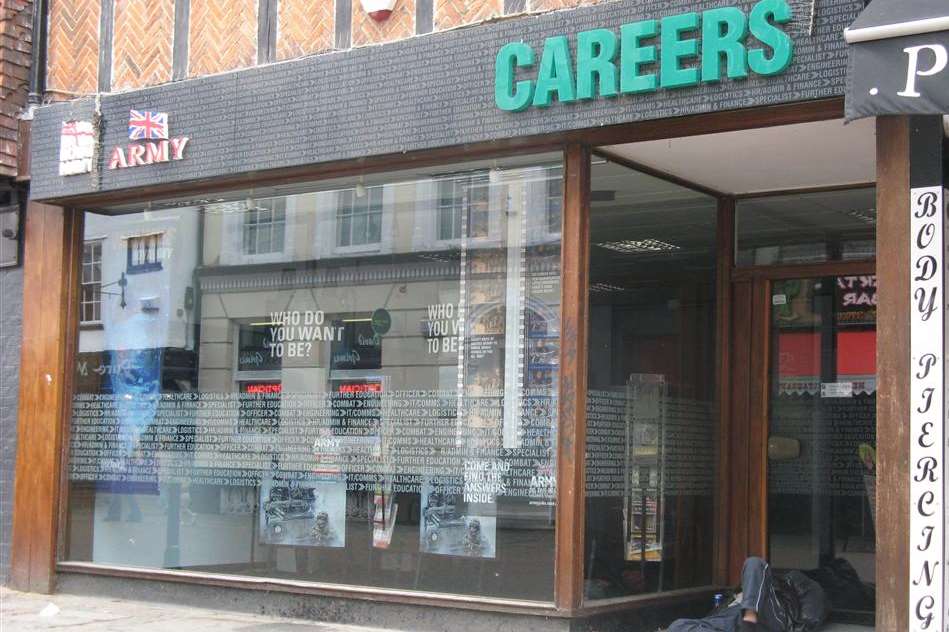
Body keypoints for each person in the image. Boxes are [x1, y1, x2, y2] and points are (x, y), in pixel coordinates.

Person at [667, 557, 827, 632]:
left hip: (763, 619)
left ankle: (749, 616)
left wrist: (804, 627)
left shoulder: (788, 582)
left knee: (754, 562)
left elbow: (815, 597)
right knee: (678, 625)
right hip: (728, 620)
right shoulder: (736, 593)